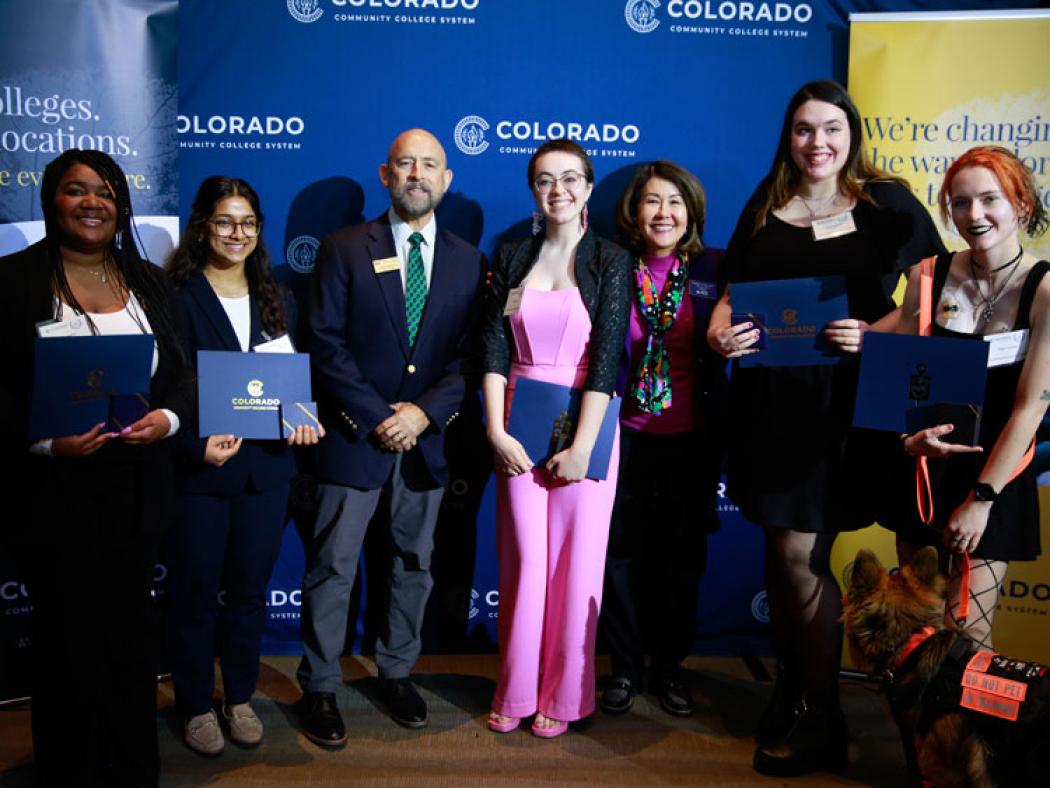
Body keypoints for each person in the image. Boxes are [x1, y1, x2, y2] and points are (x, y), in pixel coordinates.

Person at [707, 80, 944, 776]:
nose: (818, 143)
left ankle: (822, 717)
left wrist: (877, 332)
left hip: (848, 403)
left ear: (852, 134)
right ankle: (801, 691)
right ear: (790, 136)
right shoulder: (765, 203)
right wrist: (721, 336)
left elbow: (931, 289)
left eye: (831, 129)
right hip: (770, 404)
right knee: (784, 557)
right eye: (805, 129)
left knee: (801, 558)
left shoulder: (886, 202)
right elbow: (728, 295)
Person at [0, 149, 193, 787]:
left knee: (133, 644)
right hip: (52, 494)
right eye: (77, 191)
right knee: (64, 647)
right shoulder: (11, 281)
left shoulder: (152, 283)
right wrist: (45, 444)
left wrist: (164, 421)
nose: (93, 203)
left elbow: (183, 380)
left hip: (137, 491)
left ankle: (135, 768)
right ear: (52, 200)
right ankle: (69, 770)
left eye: (106, 193)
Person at [297, 128, 484, 746]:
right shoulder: (344, 246)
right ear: (385, 174)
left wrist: (423, 415)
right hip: (354, 435)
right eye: (406, 163)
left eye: (429, 165)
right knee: (333, 566)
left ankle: (397, 671)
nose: (416, 175)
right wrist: (380, 415)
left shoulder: (467, 259)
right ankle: (320, 684)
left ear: (446, 179)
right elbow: (323, 342)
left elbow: (472, 356)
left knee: (413, 564)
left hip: (425, 442)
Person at [164, 176, 323, 756]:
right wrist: (192, 444)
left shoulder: (279, 295)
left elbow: (291, 376)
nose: (238, 233)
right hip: (202, 471)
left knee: (250, 592)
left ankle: (238, 698)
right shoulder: (173, 295)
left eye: (248, 223)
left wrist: (304, 417)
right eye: (226, 222)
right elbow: (164, 386)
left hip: (266, 473)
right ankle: (195, 704)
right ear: (203, 226)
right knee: (195, 592)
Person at [482, 139, 631, 738]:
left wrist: (582, 445)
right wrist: (495, 430)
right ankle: (516, 688)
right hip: (517, 425)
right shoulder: (513, 253)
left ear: (589, 188)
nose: (558, 190)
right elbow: (492, 345)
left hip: (586, 425)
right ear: (533, 190)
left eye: (571, 179)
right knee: (523, 563)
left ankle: (564, 696)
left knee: (576, 568)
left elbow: (607, 356)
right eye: (545, 180)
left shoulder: (609, 260)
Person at [893, 146, 1049, 649]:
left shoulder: (1044, 290)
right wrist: (907, 438)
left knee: (967, 638)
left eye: (990, 199)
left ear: (1021, 204)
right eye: (960, 203)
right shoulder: (927, 274)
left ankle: (963, 733)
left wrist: (982, 500)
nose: (973, 216)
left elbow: (1031, 406)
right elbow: (898, 375)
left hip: (994, 479)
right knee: (919, 633)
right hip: (926, 475)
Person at [599, 161, 723, 718]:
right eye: (652, 201)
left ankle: (670, 667)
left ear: (691, 211)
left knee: (682, 560)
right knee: (619, 556)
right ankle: (623, 667)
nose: (664, 213)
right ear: (635, 210)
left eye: (675, 202)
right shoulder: (610, 266)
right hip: (623, 437)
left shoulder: (715, 270)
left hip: (691, 439)